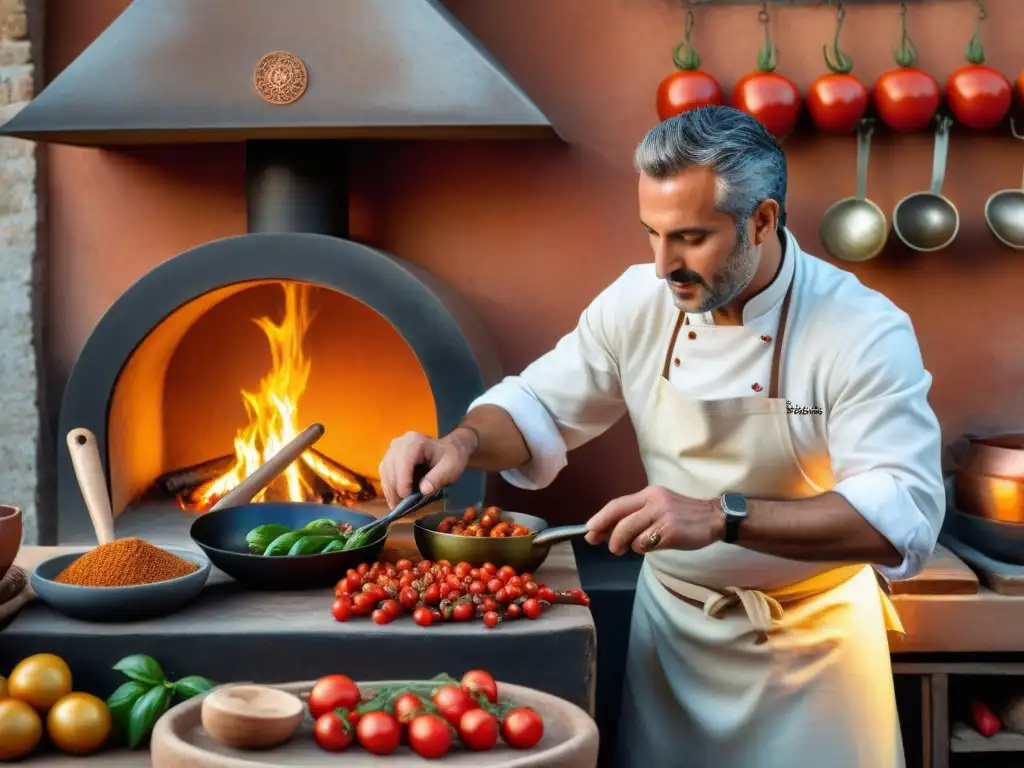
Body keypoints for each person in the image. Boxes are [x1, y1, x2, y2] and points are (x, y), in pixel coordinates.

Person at [378, 105, 944, 768]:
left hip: (814, 656)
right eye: (652, 233)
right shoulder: (639, 302)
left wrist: (719, 516)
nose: (662, 264)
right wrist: (464, 444)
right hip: (672, 642)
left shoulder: (860, 329)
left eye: (691, 238)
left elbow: (899, 518)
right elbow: (537, 405)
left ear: (762, 221)